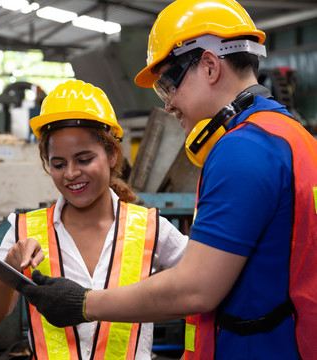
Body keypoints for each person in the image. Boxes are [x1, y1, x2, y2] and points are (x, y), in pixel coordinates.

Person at [18, 1, 317, 359]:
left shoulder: (242, 150)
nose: (169, 104)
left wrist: (83, 303)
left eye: (168, 85)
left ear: (209, 65)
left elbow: (194, 290)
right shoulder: (292, 136)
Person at [0, 79, 188, 360]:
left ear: (111, 154)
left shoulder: (150, 227)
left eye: (84, 160)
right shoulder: (24, 232)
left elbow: (200, 286)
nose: (71, 173)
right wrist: (9, 266)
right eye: (58, 164)